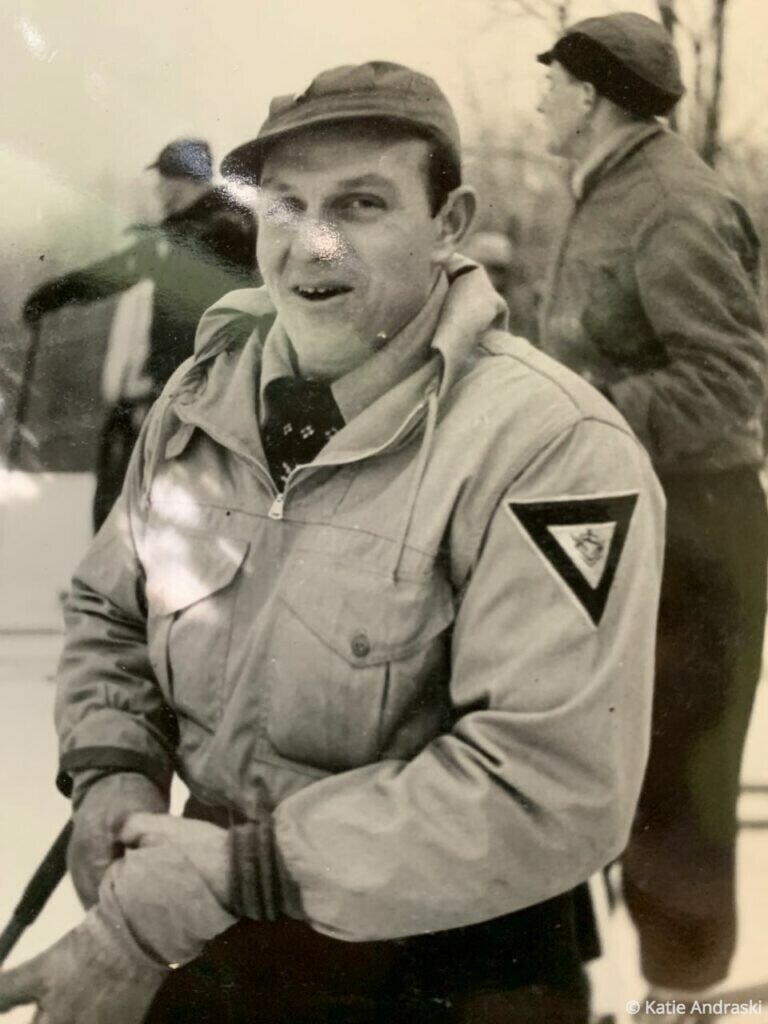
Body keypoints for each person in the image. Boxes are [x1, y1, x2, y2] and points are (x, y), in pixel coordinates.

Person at [0, 61, 664, 1024]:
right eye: (286, 203)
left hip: (455, 965)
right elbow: (113, 608)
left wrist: (238, 874)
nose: (312, 241)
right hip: (217, 924)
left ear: (449, 223)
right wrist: (113, 767)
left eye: (361, 203)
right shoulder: (200, 404)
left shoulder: (549, 448)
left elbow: (548, 783)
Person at [535, 13, 768, 1019]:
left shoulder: (671, 202)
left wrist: (578, 411)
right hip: (623, 527)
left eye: (551, 82)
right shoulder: (610, 190)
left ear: (590, 95)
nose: (542, 98)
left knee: (678, 797)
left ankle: (686, 1005)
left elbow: (727, 380)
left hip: (697, 538)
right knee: (605, 777)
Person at [22, 137, 258, 529]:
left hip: (201, 390)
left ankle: (140, 581)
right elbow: (115, 272)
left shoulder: (227, 228)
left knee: (166, 494)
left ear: (182, 181)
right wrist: (54, 295)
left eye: (164, 183)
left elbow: (205, 264)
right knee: (125, 479)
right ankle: (118, 579)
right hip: (163, 386)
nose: (158, 192)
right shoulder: (182, 232)